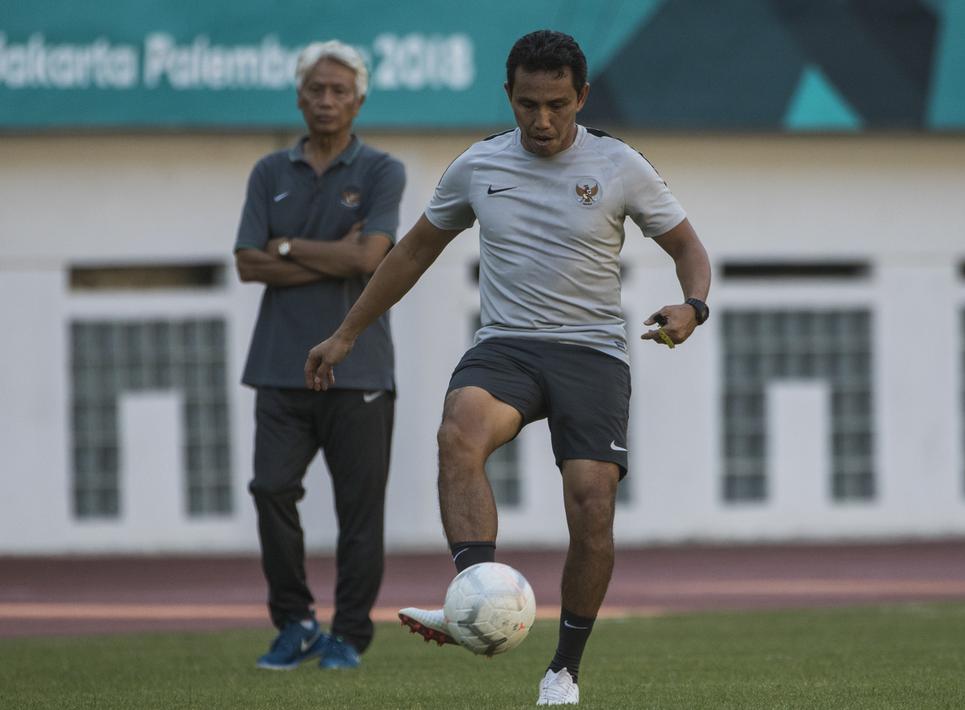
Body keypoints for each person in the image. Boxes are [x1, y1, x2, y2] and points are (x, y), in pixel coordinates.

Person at [304, 29, 710, 703]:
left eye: (557, 104)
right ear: (508, 96)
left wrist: (692, 305)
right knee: (457, 431)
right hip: (508, 345)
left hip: (591, 352)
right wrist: (346, 333)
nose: (542, 120)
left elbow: (687, 246)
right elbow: (409, 254)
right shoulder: (477, 166)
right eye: (527, 104)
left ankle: (563, 669)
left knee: (591, 503)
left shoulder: (619, 165)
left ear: (580, 95)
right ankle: (475, 595)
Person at [233, 39, 406, 670]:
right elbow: (247, 265)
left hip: (359, 368)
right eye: (316, 89)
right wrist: (310, 254)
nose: (326, 100)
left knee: (359, 514)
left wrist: (284, 248)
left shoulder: (382, 170)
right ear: (299, 98)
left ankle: (349, 636)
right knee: (270, 489)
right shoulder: (268, 172)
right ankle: (296, 622)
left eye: (339, 90)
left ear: (358, 100)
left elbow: (370, 259)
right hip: (278, 367)